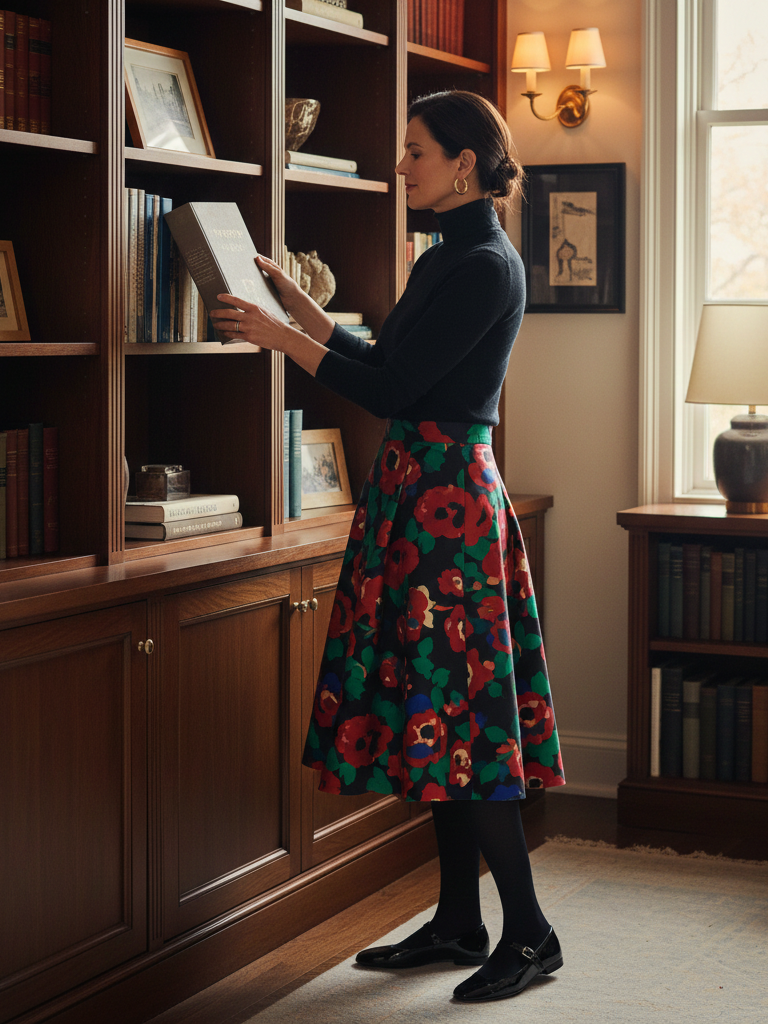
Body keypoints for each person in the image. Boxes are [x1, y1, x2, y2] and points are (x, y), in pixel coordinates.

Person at [210, 89, 565, 1004]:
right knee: (431, 716)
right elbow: (384, 364)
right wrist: (304, 311)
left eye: (414, 151)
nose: (400, 165)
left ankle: (530, 934)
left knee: (467, 727)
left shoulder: (484, 264)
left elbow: (393, 389)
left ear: (465, 163)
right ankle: (458, 921)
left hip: (446, 506)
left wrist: (281, 339)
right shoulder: (446, 257)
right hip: (414, 498)